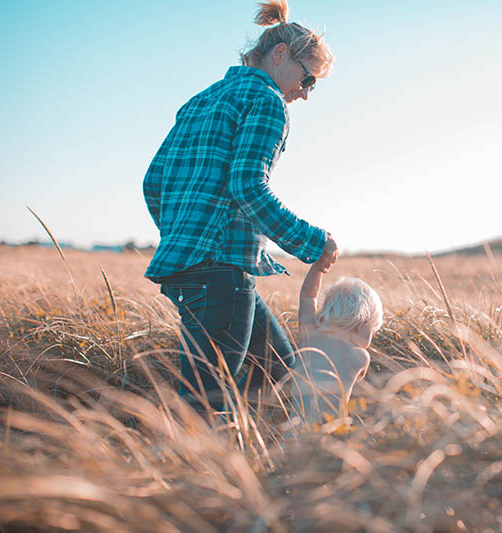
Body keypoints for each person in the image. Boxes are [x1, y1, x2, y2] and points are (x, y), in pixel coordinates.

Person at [142, 0, 337, 412]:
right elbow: (248, 187)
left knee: (283, 375)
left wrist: (184, 237)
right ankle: (190, 473)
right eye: (309, 80)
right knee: (205, 406)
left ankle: (283, 466)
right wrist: (313, 242)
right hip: (220, 272)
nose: (305, 94)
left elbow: (153, 183)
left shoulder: (201, 100)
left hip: (191, 267)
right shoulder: (268, 101)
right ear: (281, 55)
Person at [289, 257, 383, 425]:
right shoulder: (360, 357)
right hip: (328, 433)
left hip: (293, 429)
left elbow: (308, 296)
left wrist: (318, 268)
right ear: (361, 324)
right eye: (373, 330)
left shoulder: (310, 337)